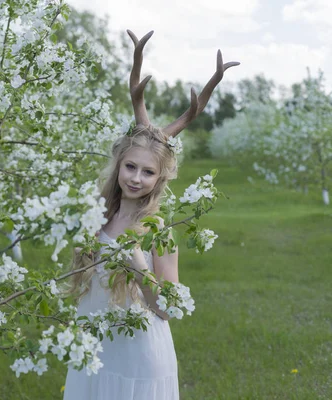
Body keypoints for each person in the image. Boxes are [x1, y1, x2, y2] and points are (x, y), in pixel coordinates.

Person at [62, 30, 238, 400]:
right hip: (95, 346)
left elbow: (167, 308)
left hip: (138, 355)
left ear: (160, 179)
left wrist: (139, 267)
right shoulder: (97, 216)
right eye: (130, 167)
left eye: (147, 172)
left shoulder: (159, 229)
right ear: (118, 165)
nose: (136, 178)